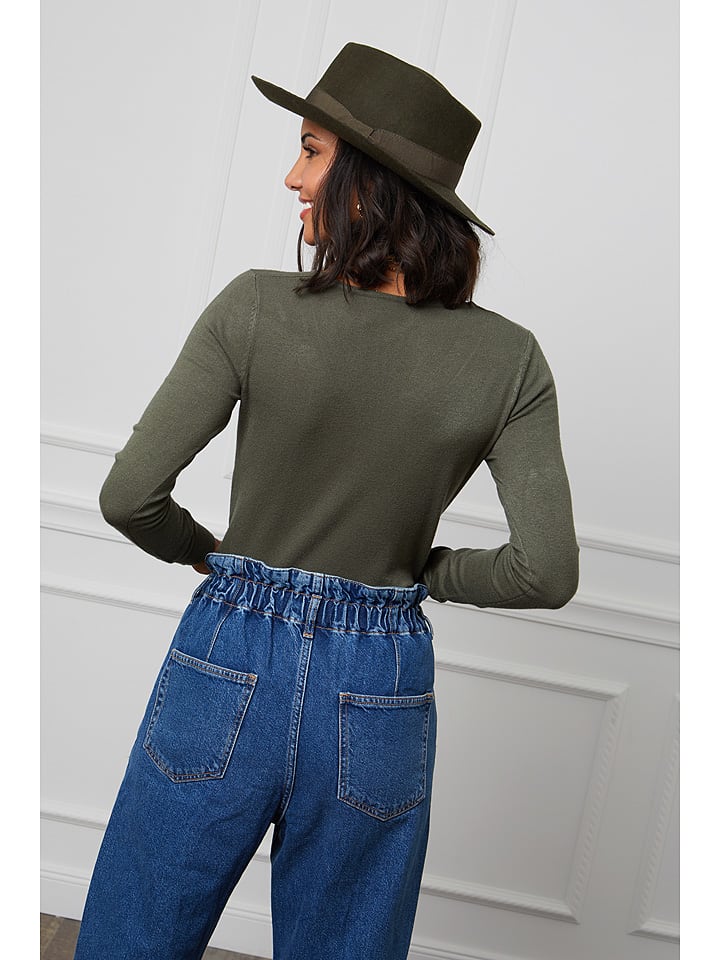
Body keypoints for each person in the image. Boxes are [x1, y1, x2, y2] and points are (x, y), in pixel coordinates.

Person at [73, 42, 579, 960]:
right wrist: (423, 571)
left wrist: (208, 553)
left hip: (229, 655)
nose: (292, 177)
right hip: (377, 682)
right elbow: (545, 572)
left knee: (135, 936)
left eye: (310, 151)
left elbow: (129, 496)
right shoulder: (509, 358)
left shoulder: (254, 308)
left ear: (369, 182)